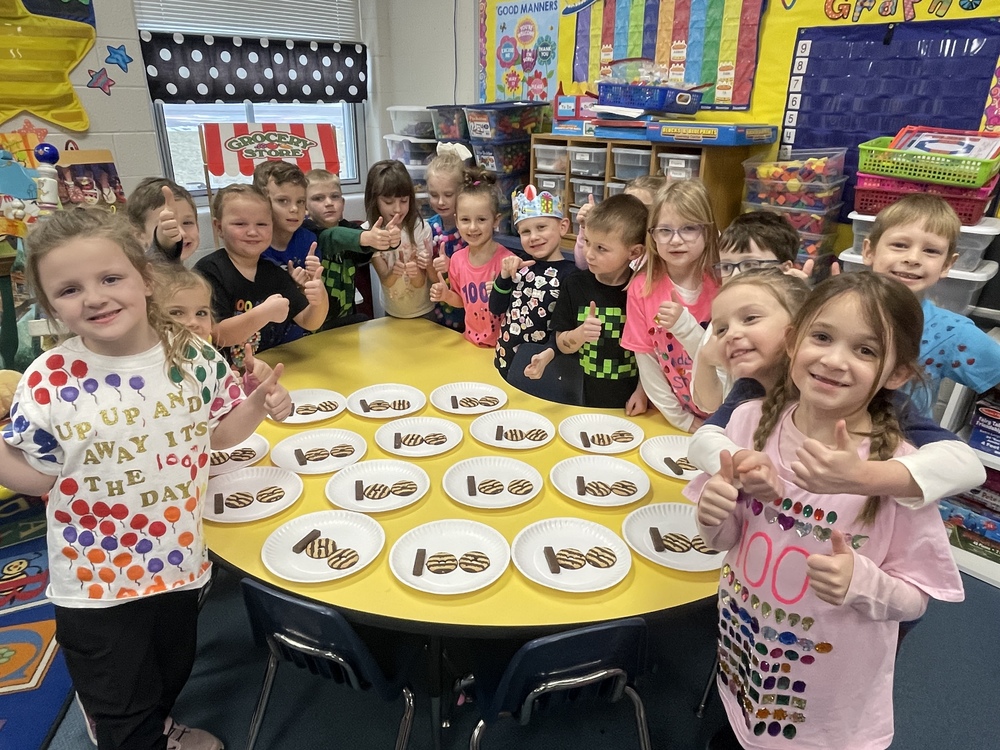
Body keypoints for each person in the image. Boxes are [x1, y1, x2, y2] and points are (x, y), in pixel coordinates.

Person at [0, 207, 284, 750]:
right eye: (68, 290)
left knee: (169, 672)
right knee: (120, 705)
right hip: (96, 581)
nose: (94, 297)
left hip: (178, 562)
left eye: (110, 278)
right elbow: (38, 479)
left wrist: (257, 404)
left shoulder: (192, 356)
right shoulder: (49, 379)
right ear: (49, 304)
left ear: (145, 278)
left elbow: (220, 435)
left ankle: (160, 726)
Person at [686, 271, 964, 750]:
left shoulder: (896, 468)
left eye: (866, 350)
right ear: (794, 342)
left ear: (896, 374)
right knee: (739, 731)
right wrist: (714, 515)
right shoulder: (750, 422)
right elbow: (728, 540)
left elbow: (916, 598)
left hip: (829, 702)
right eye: (822, 337)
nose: (835, 360)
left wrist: (861, 581)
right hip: (748, 653)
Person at [687, 268, 985, 504]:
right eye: (721, 329)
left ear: (795, 327)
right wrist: (742, 464)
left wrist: (864, 477)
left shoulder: (874, 404)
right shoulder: (750, 391)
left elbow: (965, 465)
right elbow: (704, 440)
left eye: (750, 318)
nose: (731, 335)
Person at [860, 193, 1000, 417]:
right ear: (869, 251)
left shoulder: (951, 331)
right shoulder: (835, 309)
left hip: (902, 444)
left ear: (947, 264)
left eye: (931, 251)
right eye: (899, 245)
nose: (913, 258)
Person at [522, 194, 648, 412]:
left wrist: (643, 392)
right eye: (588, 242)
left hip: (629, 402)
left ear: (634, 252)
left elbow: (651, 353)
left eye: (601, 248)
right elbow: (561, 342)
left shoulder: (643, 291)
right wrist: (580, 334)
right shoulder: (574, 285)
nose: (588, 254)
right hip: (579, 400)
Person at [621, 179, 720, 432]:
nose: (675, 240)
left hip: (725, 412)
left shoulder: (722, 284)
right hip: (672, 416)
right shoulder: (642, 289)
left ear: (707, 232)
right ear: (652, 237)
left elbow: (726, 363)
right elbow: (648, 364)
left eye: (688, 228)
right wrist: (682, 420)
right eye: (665, 231)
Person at [194, 185, 327, 369]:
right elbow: (217, 334)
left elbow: (309, 321)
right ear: (219, 227)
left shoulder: (272, 272)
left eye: (262, 224)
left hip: (265, 371)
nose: (252, 232)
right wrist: (264, 313)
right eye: (240, 224)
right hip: (224, 381)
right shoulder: (208, 272)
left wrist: (319, 297)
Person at [690, 211, 801, 414]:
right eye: (726, 266)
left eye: (750, 265)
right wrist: (706, 360)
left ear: (786, 270)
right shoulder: (724, 323)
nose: (736, 275)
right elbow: (708, 404)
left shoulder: (798, 321)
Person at [154, 267, 293, 422]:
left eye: (201, 313)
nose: (193, 322)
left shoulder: (208, 359)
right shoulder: (150, 369)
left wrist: (253, 389)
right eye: (176, 313)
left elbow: (224, 421)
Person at [489, 184, 576, 379]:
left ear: (563, 227)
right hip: (505, 359)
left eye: (541, 227)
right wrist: (504, 277)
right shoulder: (519, 265)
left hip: (543, 367)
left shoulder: (570, 275)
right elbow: (495, 307)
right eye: (525, 232)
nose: (534, 237)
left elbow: (566, 328)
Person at [428, 170, 513, 346]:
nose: (473, 227)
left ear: (496, 220)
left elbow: (517, 307)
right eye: (465, 220)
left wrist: (501, 293)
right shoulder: (457, 261)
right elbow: (462, 301)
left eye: (481, 219)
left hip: (502, 348)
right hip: (469, 343)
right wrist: (446, 295)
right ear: (457, 221)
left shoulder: (507, 262)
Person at [303, 168, 393, 327]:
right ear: (305, 206)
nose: (329, 203)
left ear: (343, 203)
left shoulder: (350, 229)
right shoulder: (307, 233)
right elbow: (332, 237)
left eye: (335, 196)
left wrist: (391, 239)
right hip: (314, 325)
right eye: (318, 198)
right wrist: (363, 238)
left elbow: (364, 253)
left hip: (347, 319)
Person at [365, 160, 434, 319]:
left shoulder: (420, 229)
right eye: (388, 202)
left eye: (404, 201)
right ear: (374, 200)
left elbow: (420, 282)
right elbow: (386, 281)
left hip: (424, 311)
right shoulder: (370, 233)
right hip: (392, 312)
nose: (397, 209)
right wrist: (394, 272)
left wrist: (414, 271)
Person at [572, 174, 665, 270]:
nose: (630, 213)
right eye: (626, 206)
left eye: (642, 207)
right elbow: (583, 265)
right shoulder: (616, 233)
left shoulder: (660, 248)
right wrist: (587, 227)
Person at [425, 146, 469, 332]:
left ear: (461, 191)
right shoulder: (428, 228)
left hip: (470, 314)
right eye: (434, 195)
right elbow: (431, 277)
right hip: (438, 312)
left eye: (448, 195)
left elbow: (478, 271)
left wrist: (452, 265)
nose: (440, 202)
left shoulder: (471, 228)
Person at [253, 161, 316, 271]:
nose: (294, 209)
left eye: (300, 201)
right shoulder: (253, 244)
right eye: (282, 200)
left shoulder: (308, 241)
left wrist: (307, 283)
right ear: (261, 202)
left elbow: (314, 283)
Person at [126, 177, 199, 263]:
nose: (181, 234)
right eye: (166, 226)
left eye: (187, 223)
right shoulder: (141, 275)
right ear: (139, 235)